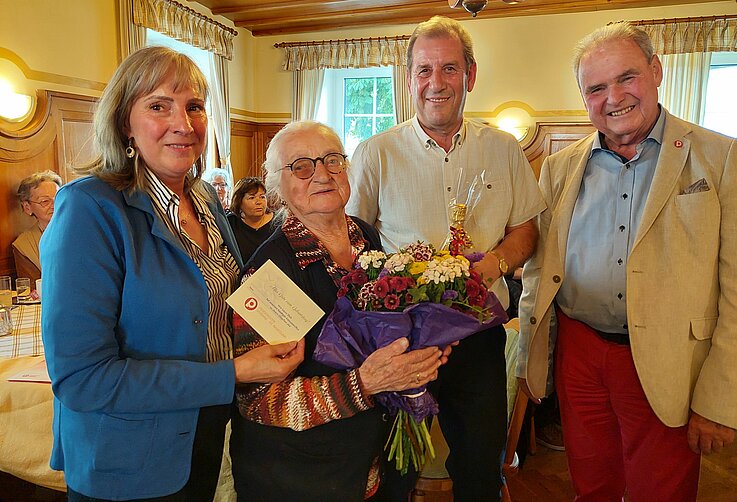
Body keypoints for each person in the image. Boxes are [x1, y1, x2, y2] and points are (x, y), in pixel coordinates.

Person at [40, 46, 304, 502]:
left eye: (194, 106)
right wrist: (233, 373)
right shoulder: (89, 208)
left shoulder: (203, 197)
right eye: (159, 106)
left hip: (205, 432)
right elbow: (83, 379)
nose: (183, 123)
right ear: (125, 122)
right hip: (127, 460)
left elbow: (223, 304)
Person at [517, 22, 737, 501]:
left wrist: (721, 397)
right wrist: (530, 359)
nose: (613, 97)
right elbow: (539, 269)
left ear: (656, 71)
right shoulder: (558, 166)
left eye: (626, 78)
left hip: (669, 357)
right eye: (596, 88)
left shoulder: (721, 158)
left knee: (661, 489)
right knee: (591, 482)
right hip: (579, 350)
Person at [346, 15, 545, 501]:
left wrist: (495, 264)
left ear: (470, 76)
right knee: (396, 471)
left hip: (479, 334)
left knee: (480, 467)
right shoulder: (375, 153)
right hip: (402, 340)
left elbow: (526, 230)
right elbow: (352, 241)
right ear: (409, 78)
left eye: (450, 68)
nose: (436, 82)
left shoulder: (504, 150)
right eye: (424, 69)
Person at [229, 120, 447, 502]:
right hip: (300, 476)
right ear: (277, 186)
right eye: (301, 166)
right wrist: (365, 383)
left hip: (368, 461)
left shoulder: (365, 236)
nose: (322, 175)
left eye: (332, 160)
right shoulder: (269, 271)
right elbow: (259, 400)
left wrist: (420, 347)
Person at [12, 170, 62, 283]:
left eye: (58, 198)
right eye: (45, 201)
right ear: (27, 207)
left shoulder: (81, 229)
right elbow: (32, 287)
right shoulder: (24, 245)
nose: (54, 205)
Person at [227, 176, 274, 261]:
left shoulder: (279, 222)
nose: (259, 202)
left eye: (262, 197)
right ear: (239, 201)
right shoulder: (230, 223)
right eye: (252, 198)